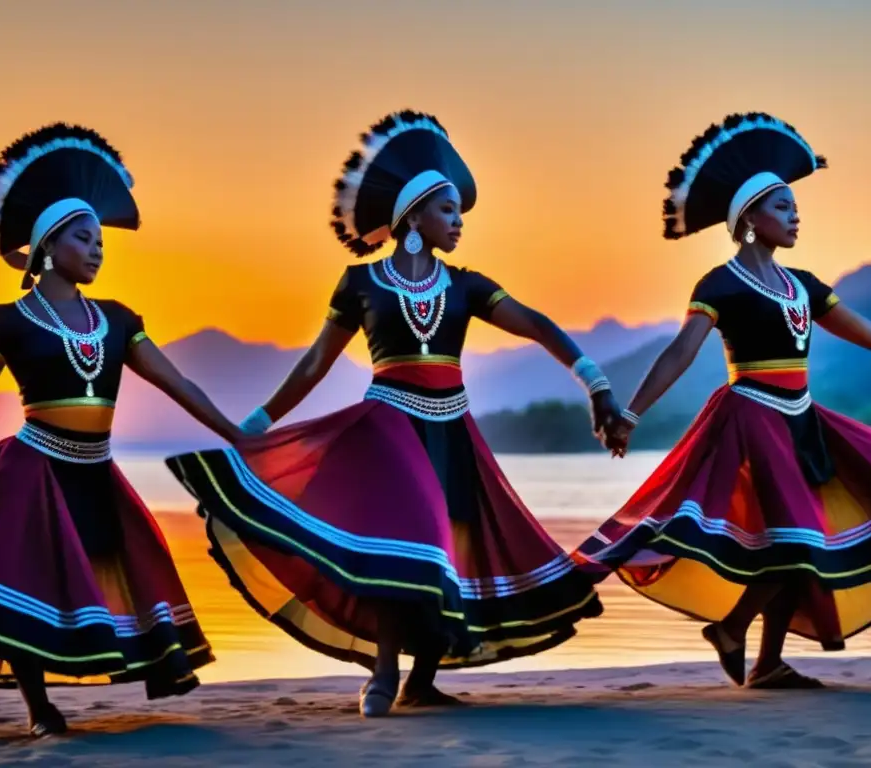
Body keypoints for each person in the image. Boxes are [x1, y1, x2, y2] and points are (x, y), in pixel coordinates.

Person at [165, 109, 617, 717]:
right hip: (386, 430)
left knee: (445, 552)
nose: (459, 223)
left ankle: (419, 680)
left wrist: (595, 383)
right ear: (415, 216)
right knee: (400, 548)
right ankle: (382, 672)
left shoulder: (467, 285)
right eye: (449, 210)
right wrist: (257, 423)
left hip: (451, 431)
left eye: (460, 213)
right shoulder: (360, 284)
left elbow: (536, 325)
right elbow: (313, 365)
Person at [574, 112, 871, 689]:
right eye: (782, 207)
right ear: (748, 220)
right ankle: (732, 628)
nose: (796, 216)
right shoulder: (718, 285)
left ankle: (766, 661)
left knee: (805, 533)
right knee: (796, 539)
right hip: (751, 419)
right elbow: (680, 353)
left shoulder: (806, 286)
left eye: (797, 207)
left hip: (803, 420)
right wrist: (630, 414)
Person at [0, 123, 243, 736]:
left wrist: (236, 432)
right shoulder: (8, 320)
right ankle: (39, 708)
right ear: (48, 245)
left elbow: (180, 386)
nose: (97, 249)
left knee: (106, 571)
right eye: (84, 238)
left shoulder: (119, 321)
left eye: (101, 240)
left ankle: (91, 680)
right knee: (24, 578)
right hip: (29, 469)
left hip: (96, 471)